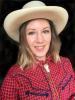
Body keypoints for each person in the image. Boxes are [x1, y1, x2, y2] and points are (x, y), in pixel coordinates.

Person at [0, 1, 75, 100]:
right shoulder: (14, 78)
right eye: (31, 33)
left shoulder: (66, 63)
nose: (40, 40)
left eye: (45, 31)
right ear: (23, 38)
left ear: (51, 35)